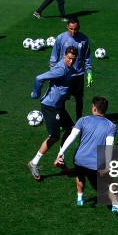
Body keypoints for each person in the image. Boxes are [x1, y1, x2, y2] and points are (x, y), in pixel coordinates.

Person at [54, 96, 118, 221]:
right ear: (105, 109)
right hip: (95, 163)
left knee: (80, 176)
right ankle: (115, 207)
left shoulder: (83, 120)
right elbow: (109, 146)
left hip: (79, 159)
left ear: (93, 108)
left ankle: (80, 199)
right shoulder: (111, 126)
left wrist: (60, 153)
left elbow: (71, 137)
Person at [28, 46, 78, 180]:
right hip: (50, 107)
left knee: (71, 129)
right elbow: (39, 78)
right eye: (69, 59)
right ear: (64, 56)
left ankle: (60, 157)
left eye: (73, 59)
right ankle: (34, 162)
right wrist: (36, 93)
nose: (71, 62)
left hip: (59, 106)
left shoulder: (70, 68)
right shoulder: (61, 70)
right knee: (54, 136)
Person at [49, 18, 92, 119]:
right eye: (71, 29)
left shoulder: (84, 39)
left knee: (79, 99)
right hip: (64, 74)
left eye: (75, 29)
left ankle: (78, 121)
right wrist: (53, 73)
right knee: (61, 99)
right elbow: (54, 56)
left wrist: (89, 72)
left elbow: (87, 57)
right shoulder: (60, 38)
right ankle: (61, 121)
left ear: (79, 27)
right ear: (67, 27)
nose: (73, 32)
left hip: (78, 75)